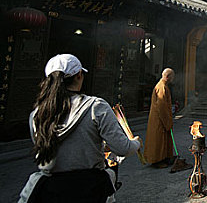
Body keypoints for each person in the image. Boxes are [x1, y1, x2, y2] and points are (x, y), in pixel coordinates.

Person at [19, 54, 141, 203]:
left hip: (50, 190)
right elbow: (124, 149)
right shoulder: (96, 107)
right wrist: (135, 143)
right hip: (89, 188)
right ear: (78, 75)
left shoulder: (37, 115)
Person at [144, 68, 175, 168]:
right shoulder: (161, 87)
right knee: (158, 140)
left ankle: (165, 157)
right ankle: (157, 161)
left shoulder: (163, 86)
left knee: (163, 139)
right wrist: (167, 121)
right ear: (167, 77)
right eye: (172, 76)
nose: (173, 78)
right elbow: (161, 107)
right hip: (159, 119)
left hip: (160, 118)